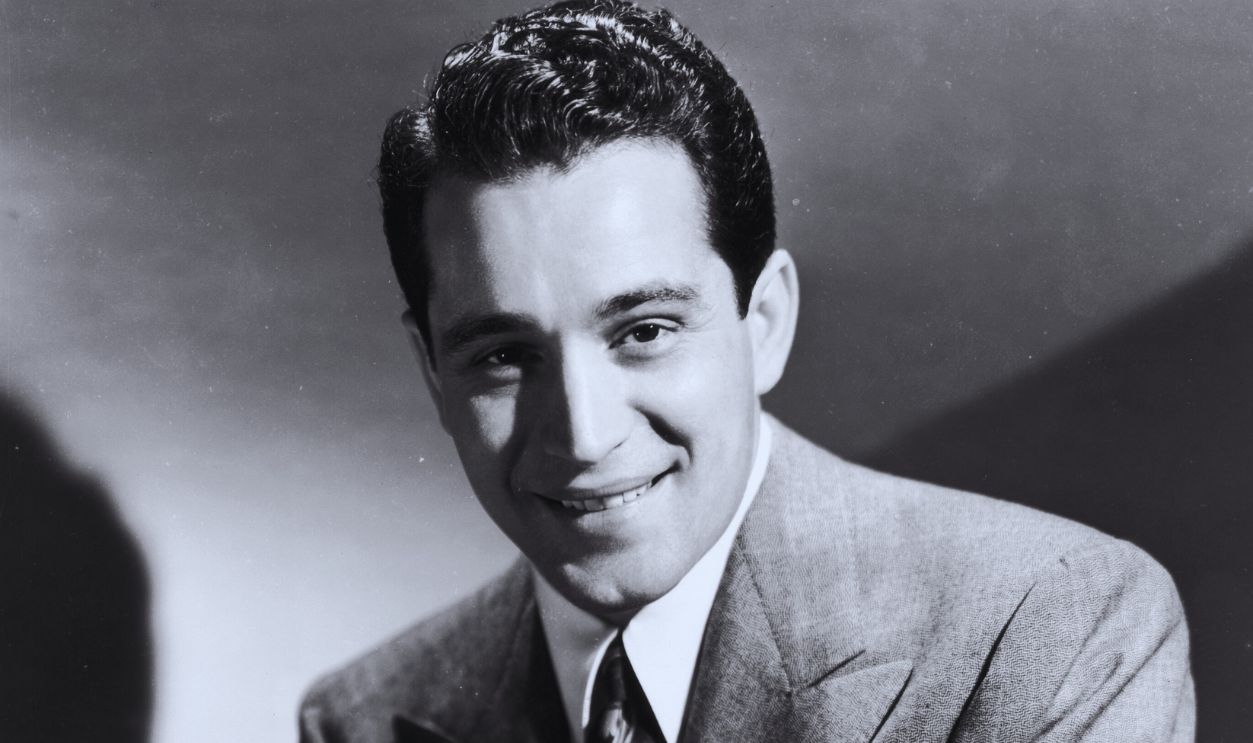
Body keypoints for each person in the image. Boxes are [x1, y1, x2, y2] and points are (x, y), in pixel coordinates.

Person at [299, 1, 1195, 741]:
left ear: (762, 323)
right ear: (431, 374)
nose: (582, 431)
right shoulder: (363, 718)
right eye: (502, 356)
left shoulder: (1047, 626)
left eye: (643, 330)